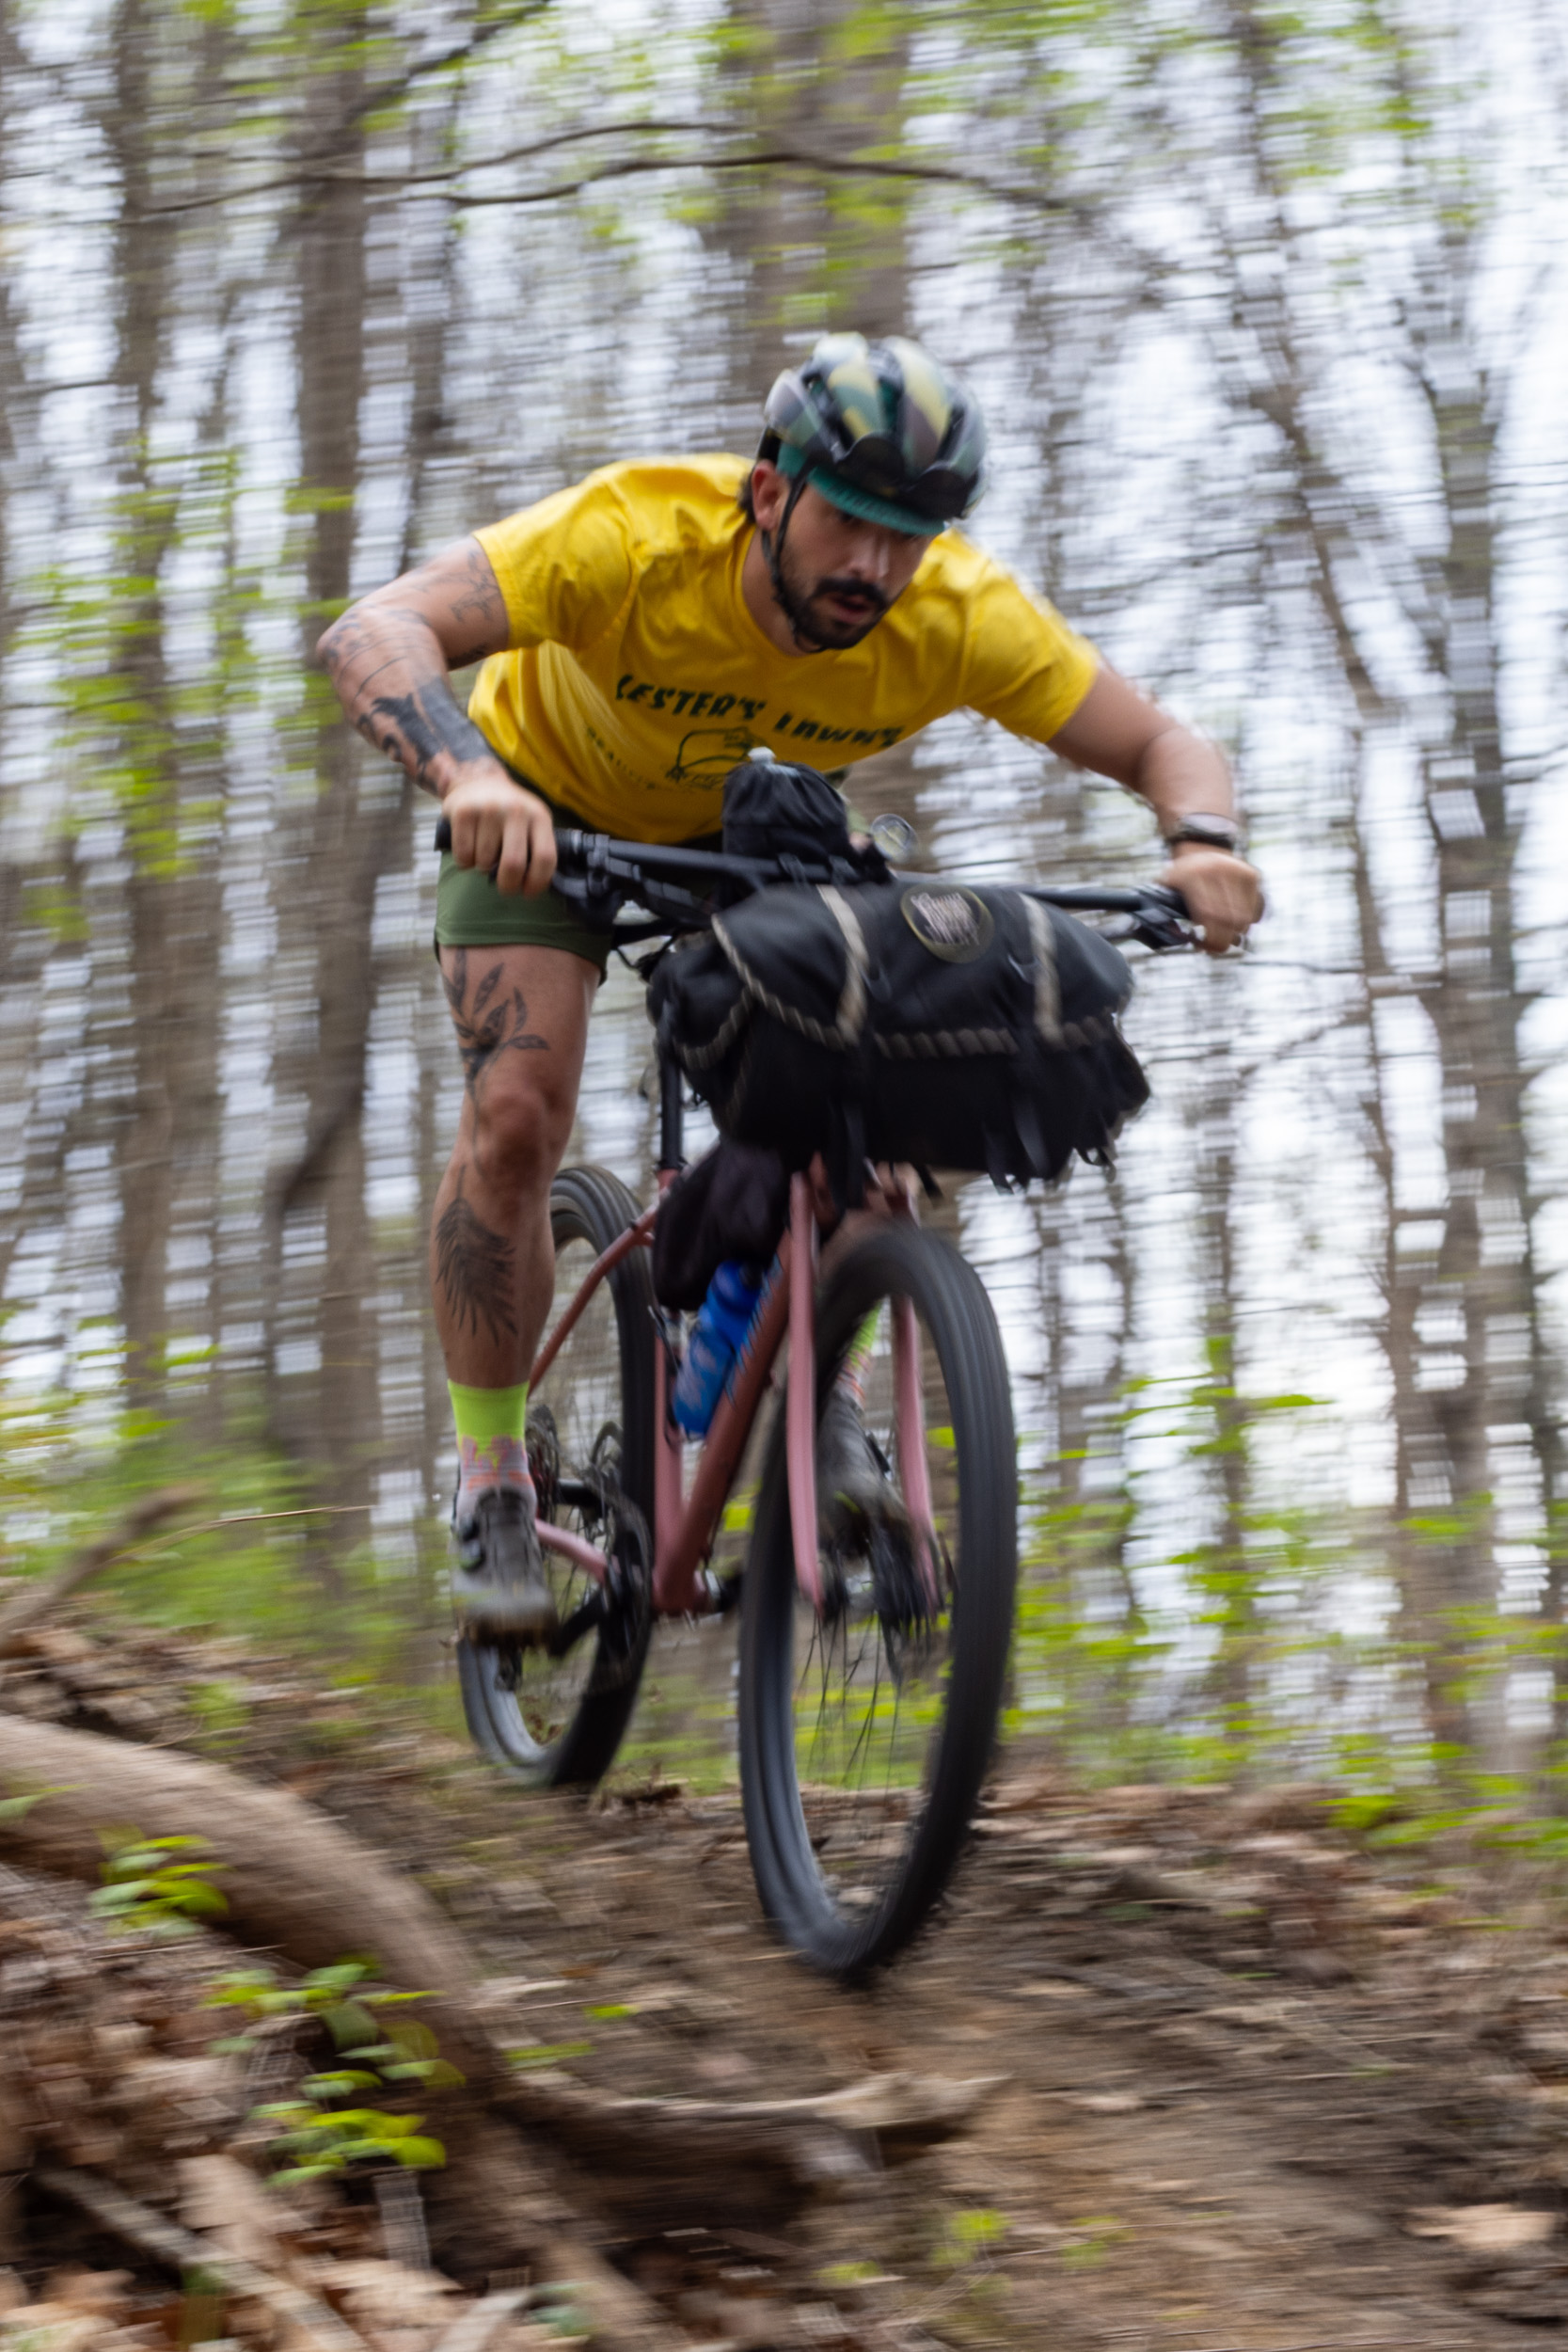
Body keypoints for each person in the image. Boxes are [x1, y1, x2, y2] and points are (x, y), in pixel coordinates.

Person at [318, 331, 1263, 1639]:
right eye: (849, 522)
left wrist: (1202, 842)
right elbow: (376, 628)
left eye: (908, 537)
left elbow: (1161, 740)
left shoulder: (955, 613)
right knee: (519, 1113)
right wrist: (465, 773)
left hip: (759, 854)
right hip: (542, 821)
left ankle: (827, 1407)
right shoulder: (634, 537)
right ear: (770, 493)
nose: (876, 565)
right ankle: (492, 1483)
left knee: (880, 1098)